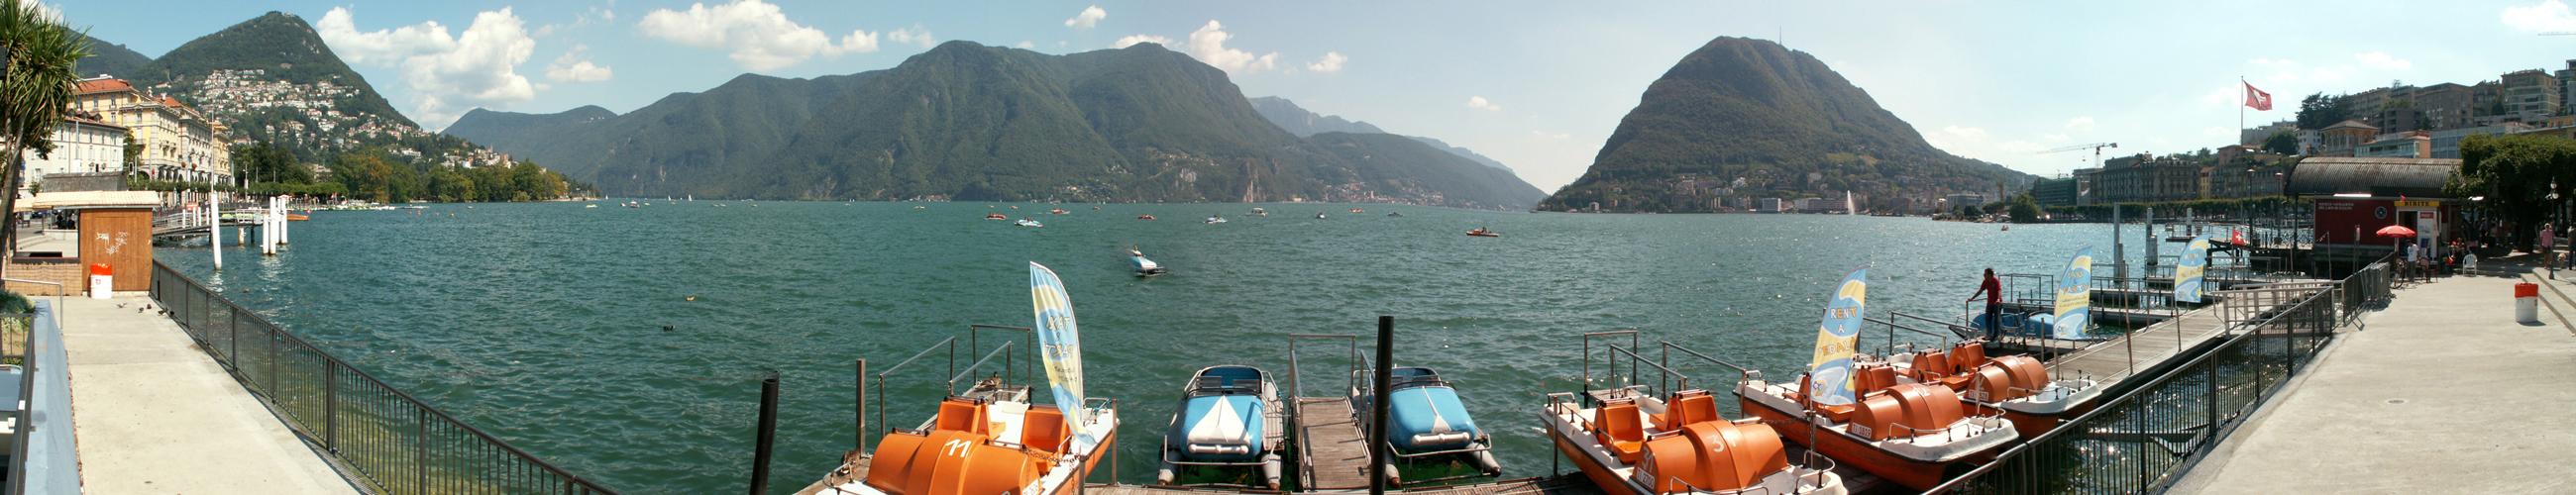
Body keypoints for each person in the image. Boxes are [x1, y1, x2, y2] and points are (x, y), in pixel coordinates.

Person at [1968, 268, 2003, 342]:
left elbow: (1999, 290)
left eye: (1985, 274)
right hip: (1990, 303)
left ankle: (1997, 335)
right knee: (1987, 318)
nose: (1984, 275)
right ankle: (1989, 335)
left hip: (1997, 304)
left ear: (1990, 274)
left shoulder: (1996, 281)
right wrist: (1972, 298)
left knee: (1997, 319)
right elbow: (1980, 290)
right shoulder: (1985, 282)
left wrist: (1998, 299)